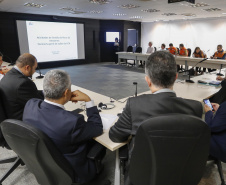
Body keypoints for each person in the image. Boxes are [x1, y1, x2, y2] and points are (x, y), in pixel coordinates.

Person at [109, 51, 203, 184]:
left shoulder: (134, 105)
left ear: (148, 80)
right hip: (180, 174)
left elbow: (115, 136)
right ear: (176, 77)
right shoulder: (196, 108)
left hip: (143, 177)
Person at [23, 69, 104, 184]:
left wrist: (55, 93)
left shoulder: (30, 105)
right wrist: (88, 100)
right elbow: (97, 128)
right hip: (73, 171)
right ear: (66, 92)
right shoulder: (72, 122)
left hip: (44, 164)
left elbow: (42, 95)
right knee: (99, 142)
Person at [0, 53, 44, 120]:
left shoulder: (8, 75)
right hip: (23, 122)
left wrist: (45, 92)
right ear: (27, 67)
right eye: (34, 68)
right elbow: (40, 105)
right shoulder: (23, 83)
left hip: (10, 119)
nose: (34, 71)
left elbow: (29, 93)